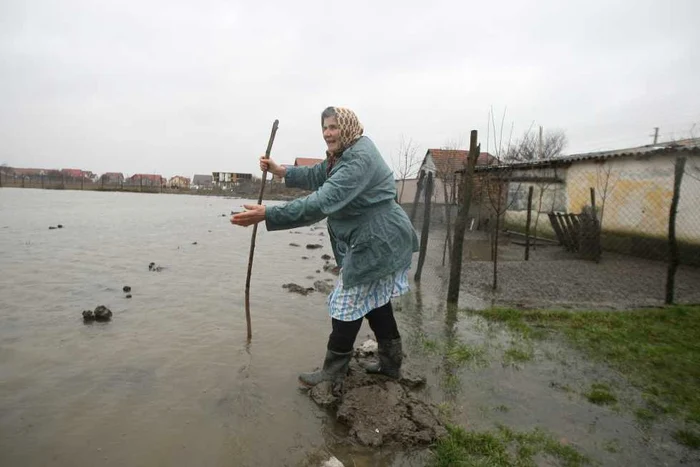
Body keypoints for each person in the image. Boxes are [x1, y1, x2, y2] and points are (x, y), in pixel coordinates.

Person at [231, 106, 419, 387]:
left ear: (348, 126)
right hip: (377, 239)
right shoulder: (342, 155)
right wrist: (281, 171)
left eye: (333, 127)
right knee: (376, 303)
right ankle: (391, 365)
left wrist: (268, 214)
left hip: (379, 241)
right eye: (325, 128)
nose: (328, 133)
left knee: (346, 303)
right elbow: (318, 174)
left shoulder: (358, 159)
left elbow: (321, 202)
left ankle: (332, 374)